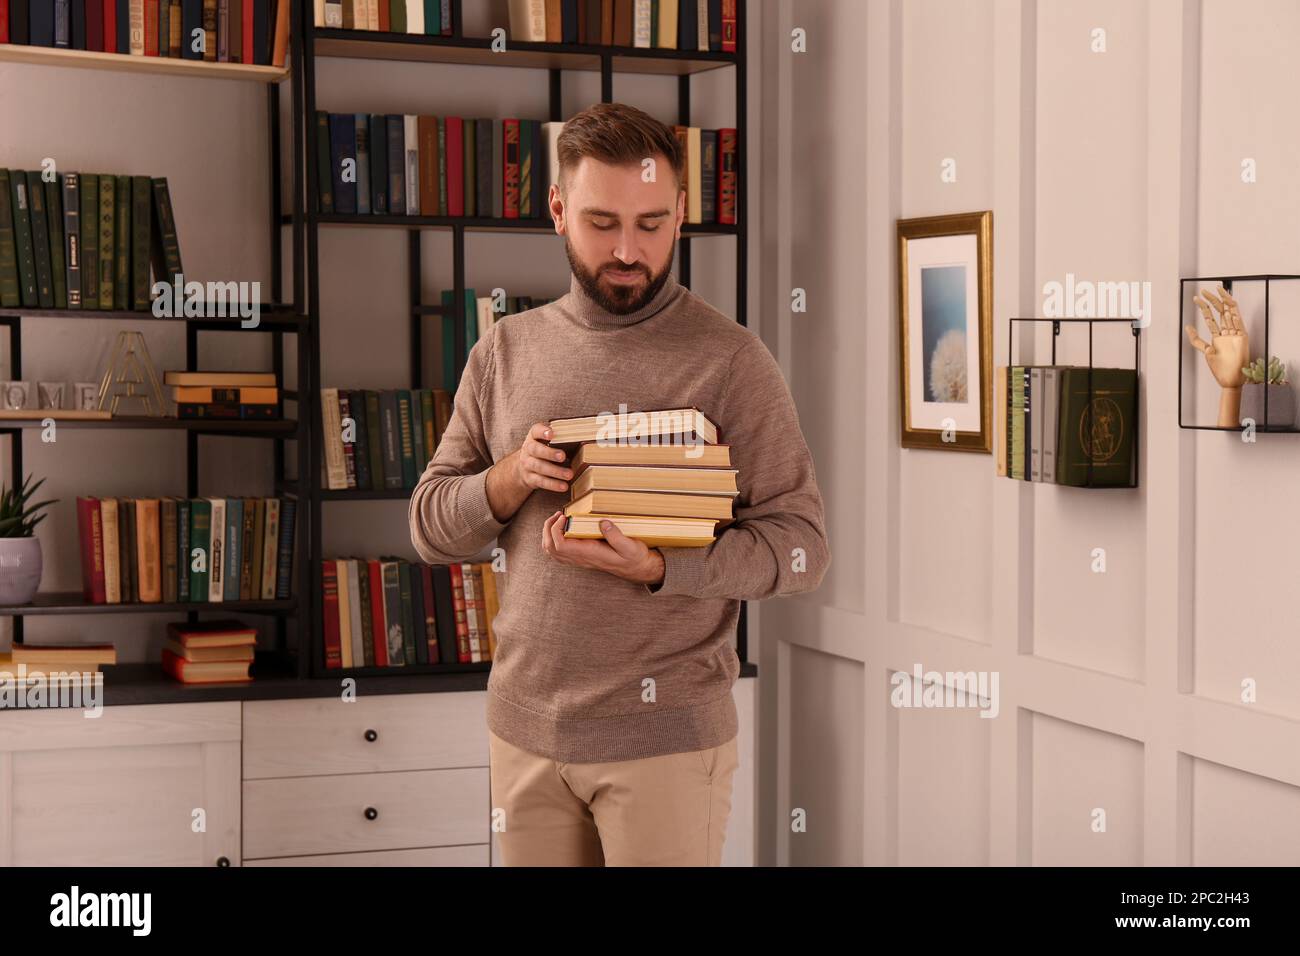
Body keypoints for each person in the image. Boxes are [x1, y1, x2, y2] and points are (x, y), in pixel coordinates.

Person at [409, 101, 829, 866]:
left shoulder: (732, 360)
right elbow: (429, 526)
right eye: (603, 224)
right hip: (523, 733)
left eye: (651, 223)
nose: (629, 250)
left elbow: (802, 549)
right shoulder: (503, 351)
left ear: (681, 216)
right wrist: (506, 481)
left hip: (664, 742)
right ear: (559, 212)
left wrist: (666, 569)